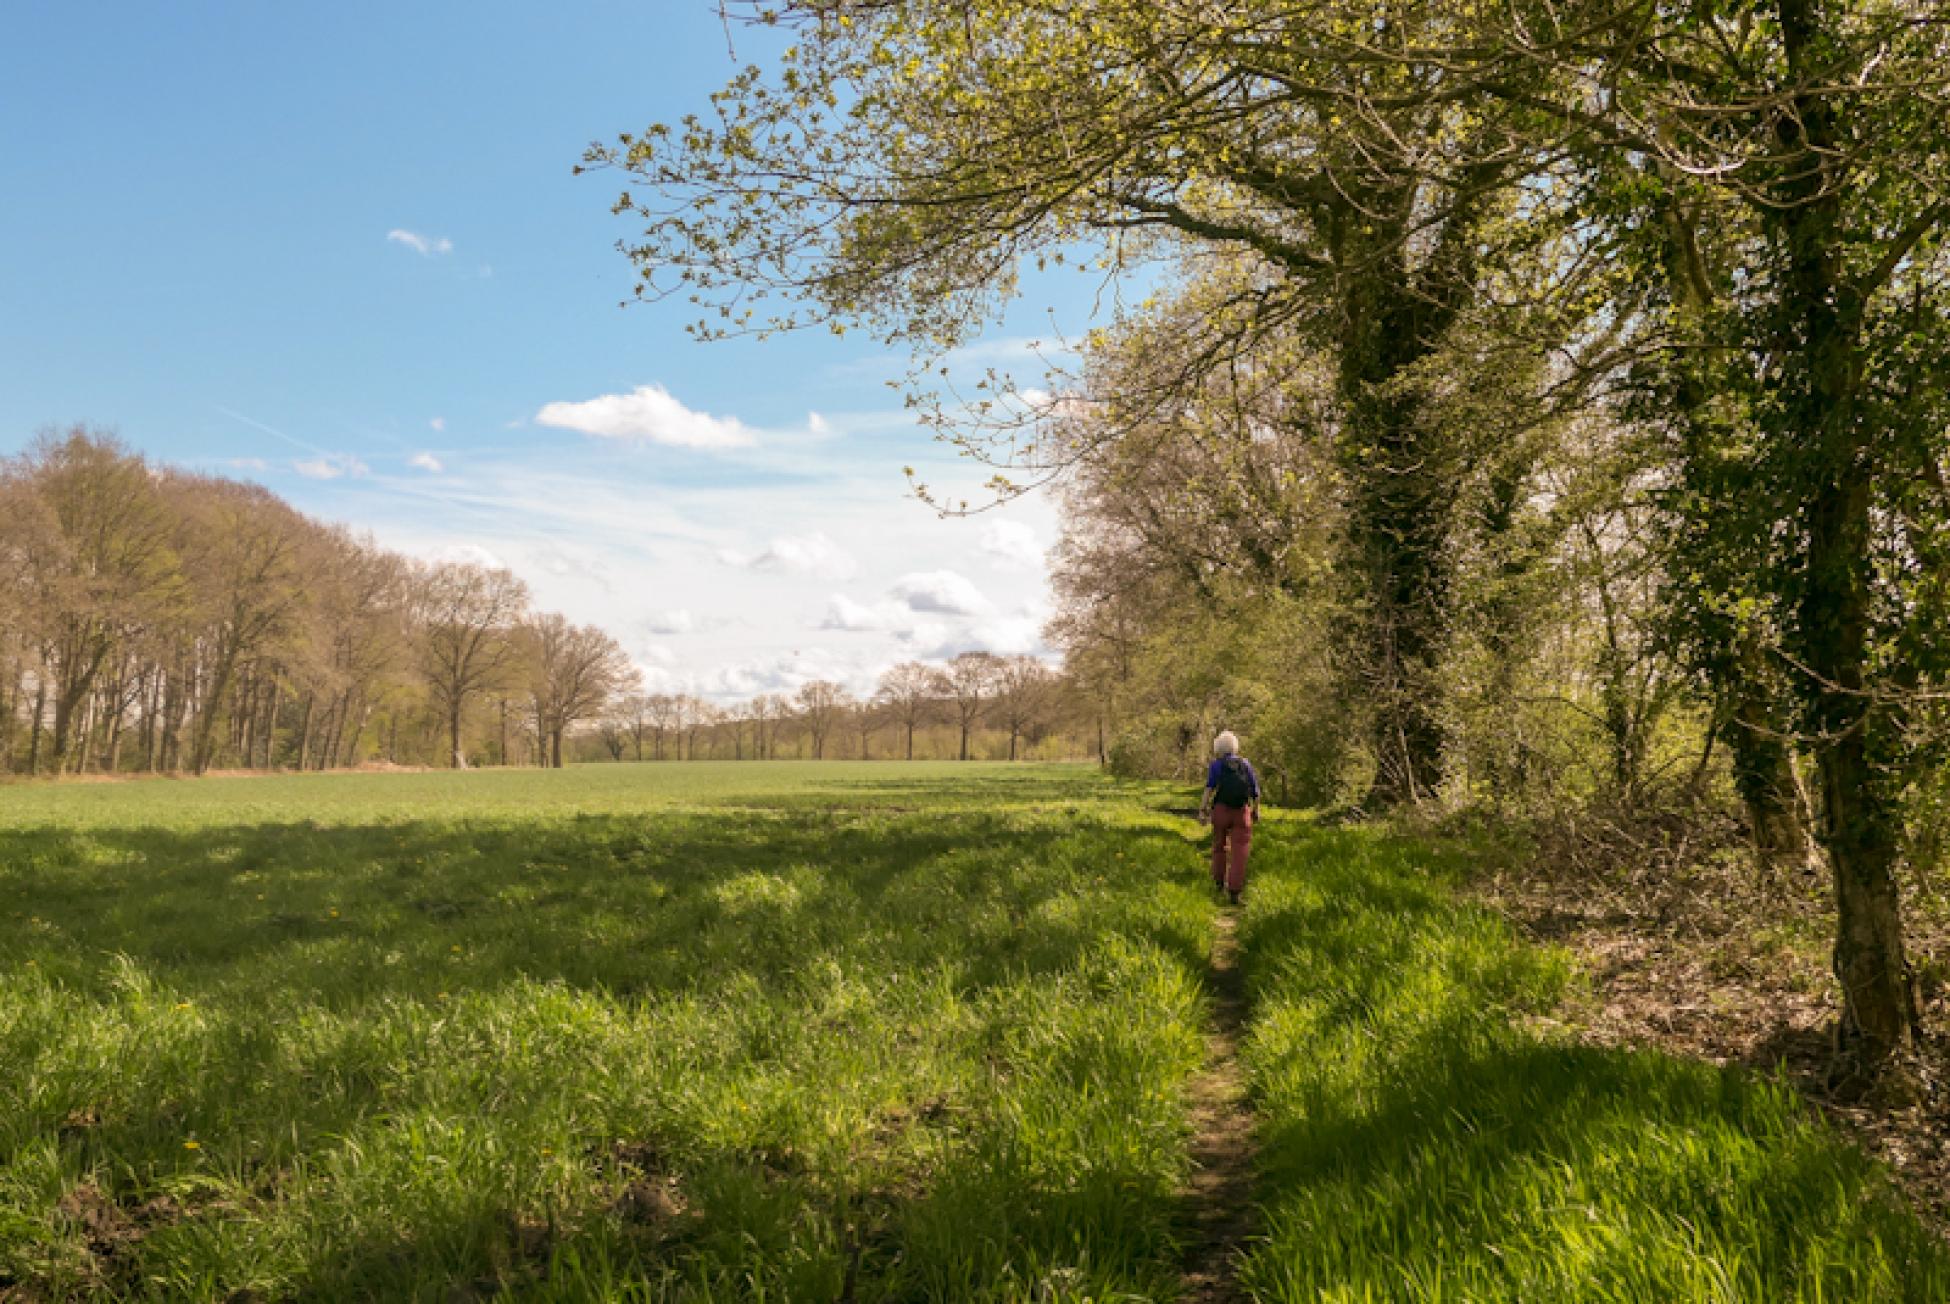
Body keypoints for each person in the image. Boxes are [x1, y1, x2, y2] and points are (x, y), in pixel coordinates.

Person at [1199, 731, 1261, 905]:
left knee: (1219, 846)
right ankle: (1234, 891)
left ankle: (1218, 883)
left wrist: (1202, 809)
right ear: (1235, 747)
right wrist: (1256, 811)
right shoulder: (1245, 764)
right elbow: (1255, 791)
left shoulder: (1216, 765)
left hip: (1221, 810)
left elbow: (1209, 788)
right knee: (1240, 850)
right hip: (1241, 811)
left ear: (1218, 748)